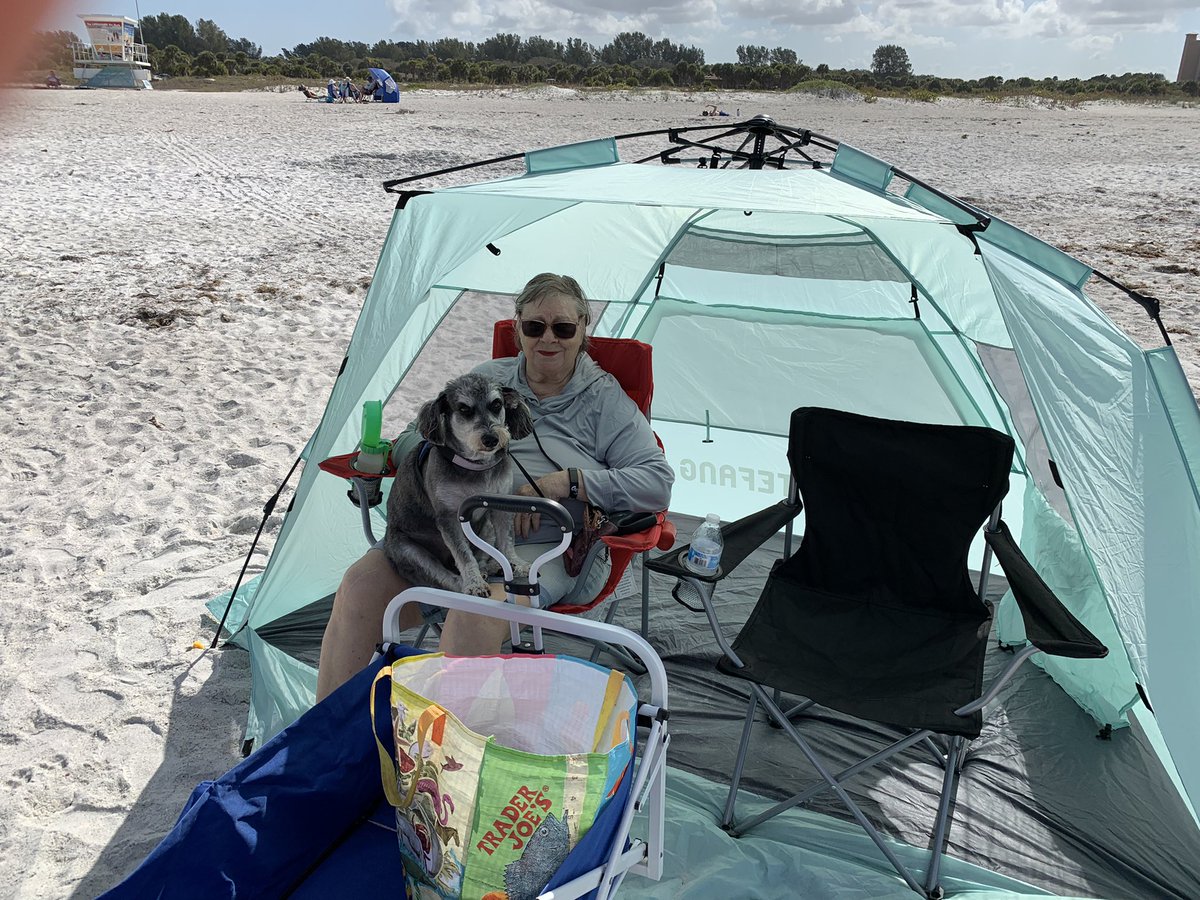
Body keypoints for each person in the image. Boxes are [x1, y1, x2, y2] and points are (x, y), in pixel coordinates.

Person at [315, 273, 674, 700]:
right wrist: (446, 452)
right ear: (517, 326)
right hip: (446, 536)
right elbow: (414, 437)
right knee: (359, 587)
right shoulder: (489, 379)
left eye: (563, 328)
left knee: (474, 614)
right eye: (534, 326)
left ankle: (441, 742)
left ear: (583, 329)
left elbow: (656, 483)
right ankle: (327, 733)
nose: (548, 339)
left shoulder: (604, 400)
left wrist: (567, 483)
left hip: (543, 547)